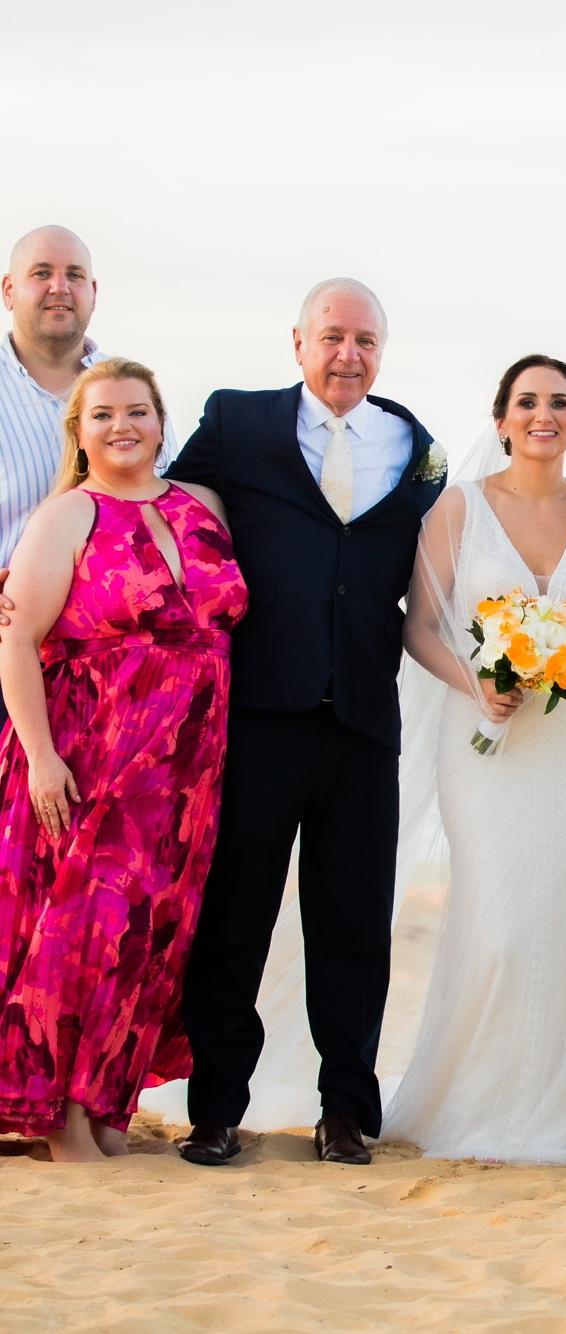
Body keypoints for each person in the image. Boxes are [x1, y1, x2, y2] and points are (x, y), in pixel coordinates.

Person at [168, 278, 445, 1167]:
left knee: (355, 924)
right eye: (332, 337)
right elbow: (165, 514)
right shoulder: (239, 423)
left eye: (365, 340)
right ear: (297, 343)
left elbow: (449, 565)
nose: (347, 355)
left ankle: (345, 1113)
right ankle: (215, 1110)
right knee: (235, 917)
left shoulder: (417, 447)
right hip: (257, 713)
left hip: (365, 718)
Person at [381, 354, 566, 1163]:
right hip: (482, 737)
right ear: (502, 419)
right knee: (497, 920)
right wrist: (478, 683)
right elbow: (419, 625)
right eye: (527, 402)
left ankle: (547, 1118)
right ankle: (468, 1107)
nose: (542, 415)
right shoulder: (458, 510)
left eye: (559, 402)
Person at [0, 358, 244, 1161]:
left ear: (161, 421)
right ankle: (63, 1125)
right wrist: (40, 758)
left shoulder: (200, 506)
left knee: (151, 941)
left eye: (136, 412)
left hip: (186, 777)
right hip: (94, 760)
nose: (121, 427)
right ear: (79, 431)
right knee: (84, 934)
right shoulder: (67, 516)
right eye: (102, 415)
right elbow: (18, 642)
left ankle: (109, 1111)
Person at [0, 225, 176, 726]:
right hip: (13, 653)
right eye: (41, 274)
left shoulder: (131, 395)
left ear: (93, 293)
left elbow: (165, 507)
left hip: (119, 677)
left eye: (74, 275)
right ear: (8, 290)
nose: (60, 287)